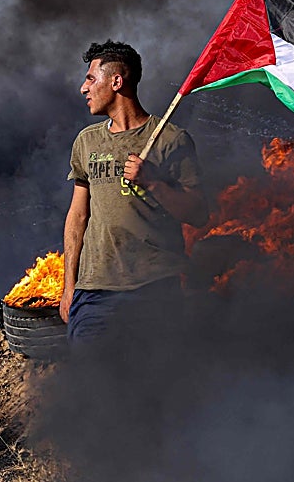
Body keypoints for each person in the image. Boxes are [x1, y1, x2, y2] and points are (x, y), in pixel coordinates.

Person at [60, 40, 208, 346]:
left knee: (152, 389)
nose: (83, 88)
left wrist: (154, 182)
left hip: (155, 290)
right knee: (91, 384)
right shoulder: (87, 142)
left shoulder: (171, 139)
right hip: (95, 293)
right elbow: (77, 215)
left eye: (90, 79)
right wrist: (69, 286)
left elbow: (198, 214)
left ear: (116, 81)